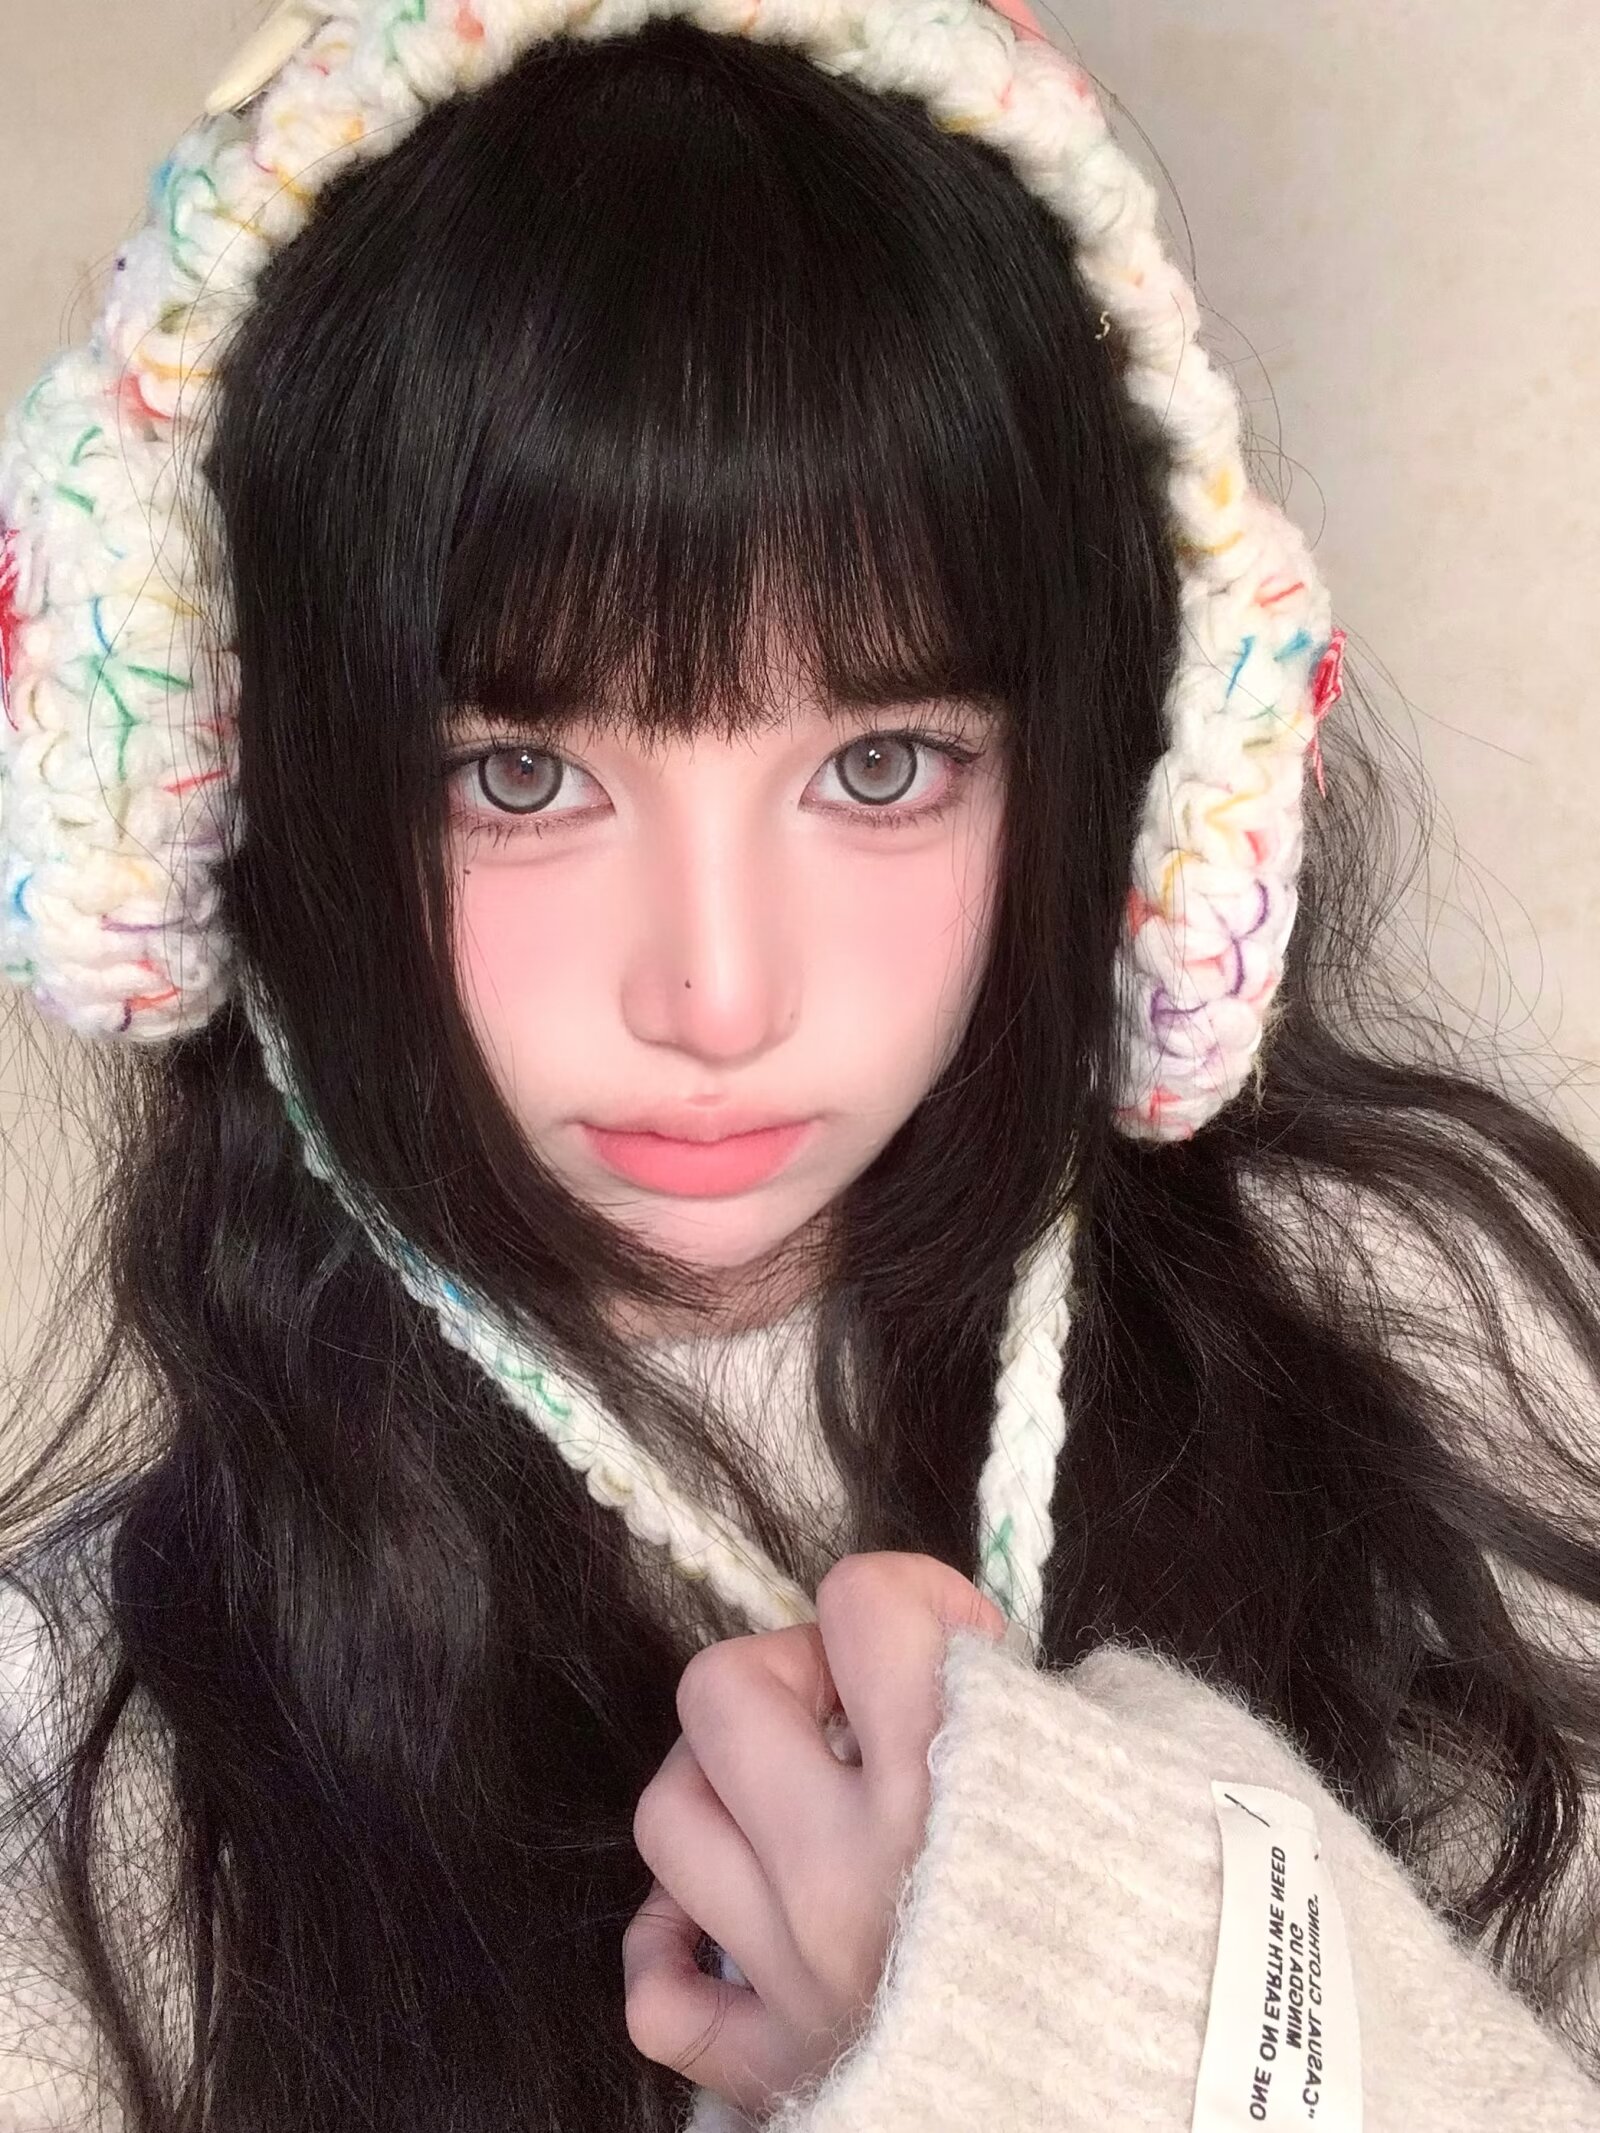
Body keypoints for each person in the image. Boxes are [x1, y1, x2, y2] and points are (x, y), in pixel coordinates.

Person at [1, 0, 1599, 2127]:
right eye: (516, 774)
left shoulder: (1437, 1426)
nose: (718, 991)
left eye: (879, 764)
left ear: (1139, 793)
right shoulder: (71, 1797)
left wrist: (1108, 2014)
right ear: (223, 795)